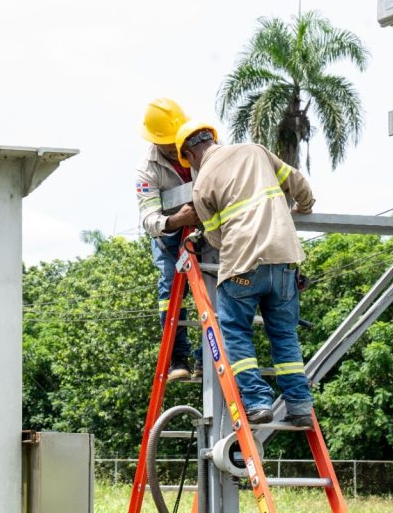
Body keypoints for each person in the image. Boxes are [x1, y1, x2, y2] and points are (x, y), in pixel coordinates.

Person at [175, 120, 315, 426]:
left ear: (191, 156)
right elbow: (297, 182)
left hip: (242, 266)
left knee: (236, 333)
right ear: (212, 139)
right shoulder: (255, 151)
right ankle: (300, 406)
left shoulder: (201, 184)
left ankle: (258, 402)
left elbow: (215, 239)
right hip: (284, 259)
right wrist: (304, 207)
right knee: (285, 335)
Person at [135, 98, 202, 381]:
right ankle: (178, 358)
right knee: (170, 288)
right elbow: (149, 218)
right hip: (170, 237)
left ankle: (204, 357)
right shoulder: (147, 169)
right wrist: (177, 220)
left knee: (216, 290)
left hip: (206, 231)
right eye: (167, 143)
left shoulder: (202, 142)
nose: (174, 148)